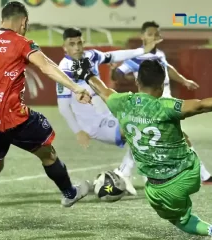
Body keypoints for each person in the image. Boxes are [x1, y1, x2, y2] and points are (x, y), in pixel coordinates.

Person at [70, 58, 212, 240]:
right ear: (161, 87)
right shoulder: (166, 106)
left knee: (182, 221)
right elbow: (199, 105)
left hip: (161, 188)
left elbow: (103, 91)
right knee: (180, 136)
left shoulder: (121, 102)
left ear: (137, 82)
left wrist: (87, 74)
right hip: (189, 173)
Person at [0, 2, 92, 239]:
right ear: (23, 22)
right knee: (48, 153)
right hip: (14, 118)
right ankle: (69, 193)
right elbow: (46, 67)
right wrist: (75, 87)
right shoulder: (21, 43)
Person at [110, 21, 212, 186]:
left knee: (147, 136)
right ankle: (203, 175)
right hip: (152, 102)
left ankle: (125, 173)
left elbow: (168, 68)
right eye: (150, 34)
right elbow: (118, 75)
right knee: (175, 137)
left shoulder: (160, 55)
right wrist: (115, 71)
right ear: (142, 36)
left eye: (156, 34)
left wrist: (184, 80)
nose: (154, 37)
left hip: (166, 100)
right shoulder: (136, 58)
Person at [57, 27, 161, 195]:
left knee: (145, 126)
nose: (76, 47)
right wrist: (78, 131)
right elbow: (63, 107)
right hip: (94, 125)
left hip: (109, 115)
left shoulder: (91, 56)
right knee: (139, 128)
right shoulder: (64, 69)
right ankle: (126, 173)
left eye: (79, 43)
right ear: (64, 47)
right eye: (71, 44)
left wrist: (141, 50)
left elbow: (114, 56)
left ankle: (134, 173)